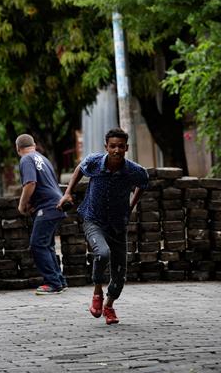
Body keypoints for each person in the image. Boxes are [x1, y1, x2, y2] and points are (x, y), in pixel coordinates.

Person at [57, 128, 148, 325]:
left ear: (127, 148)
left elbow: (144, 181)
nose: (116, 150)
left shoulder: (133, 170)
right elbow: (80, 169)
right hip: (93, 219)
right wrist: (68, 193)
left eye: (121, 147)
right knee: (102, 253)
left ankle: (109, 305)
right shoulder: (94, 162)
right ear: (106, 147)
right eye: (112, 146)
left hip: (118, 224)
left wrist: (131, 205)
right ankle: (97, 291)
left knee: (119, 273)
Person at [15, 134, 68, 295]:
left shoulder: (25, 159)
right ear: (35, 145)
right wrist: (33, 204)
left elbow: (31, 183)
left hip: (48, 207)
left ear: (18, 149)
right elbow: (46, 184)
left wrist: (22, 204)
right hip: (57, 204)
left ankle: (52, 283)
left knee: (38, 244)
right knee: (47, 245)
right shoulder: (43, 159)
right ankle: (59, 281)